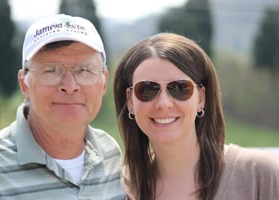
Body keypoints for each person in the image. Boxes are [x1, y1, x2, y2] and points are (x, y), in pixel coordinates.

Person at [113, 32, 279, 200]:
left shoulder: (259, 175)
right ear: (130, 101)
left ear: (201, 98)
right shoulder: (117, 190)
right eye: (147, 89)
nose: (163, 103)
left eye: (179, 88)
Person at [0, 14, 126, 199]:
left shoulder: (110, 154)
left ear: (103, 82)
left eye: (84, 71)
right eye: (51, 71)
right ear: (24, 84)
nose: (70, 86)